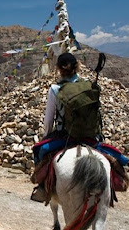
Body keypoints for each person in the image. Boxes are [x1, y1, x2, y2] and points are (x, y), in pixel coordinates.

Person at [31, 52, 81, 202]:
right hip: (89, 135)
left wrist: (46, 135)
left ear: (59, 69)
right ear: (77, 67)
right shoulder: (87, 85)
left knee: (39, 150)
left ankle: (42, 188)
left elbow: (48, 120)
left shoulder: (55, 89)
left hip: (64, 135)